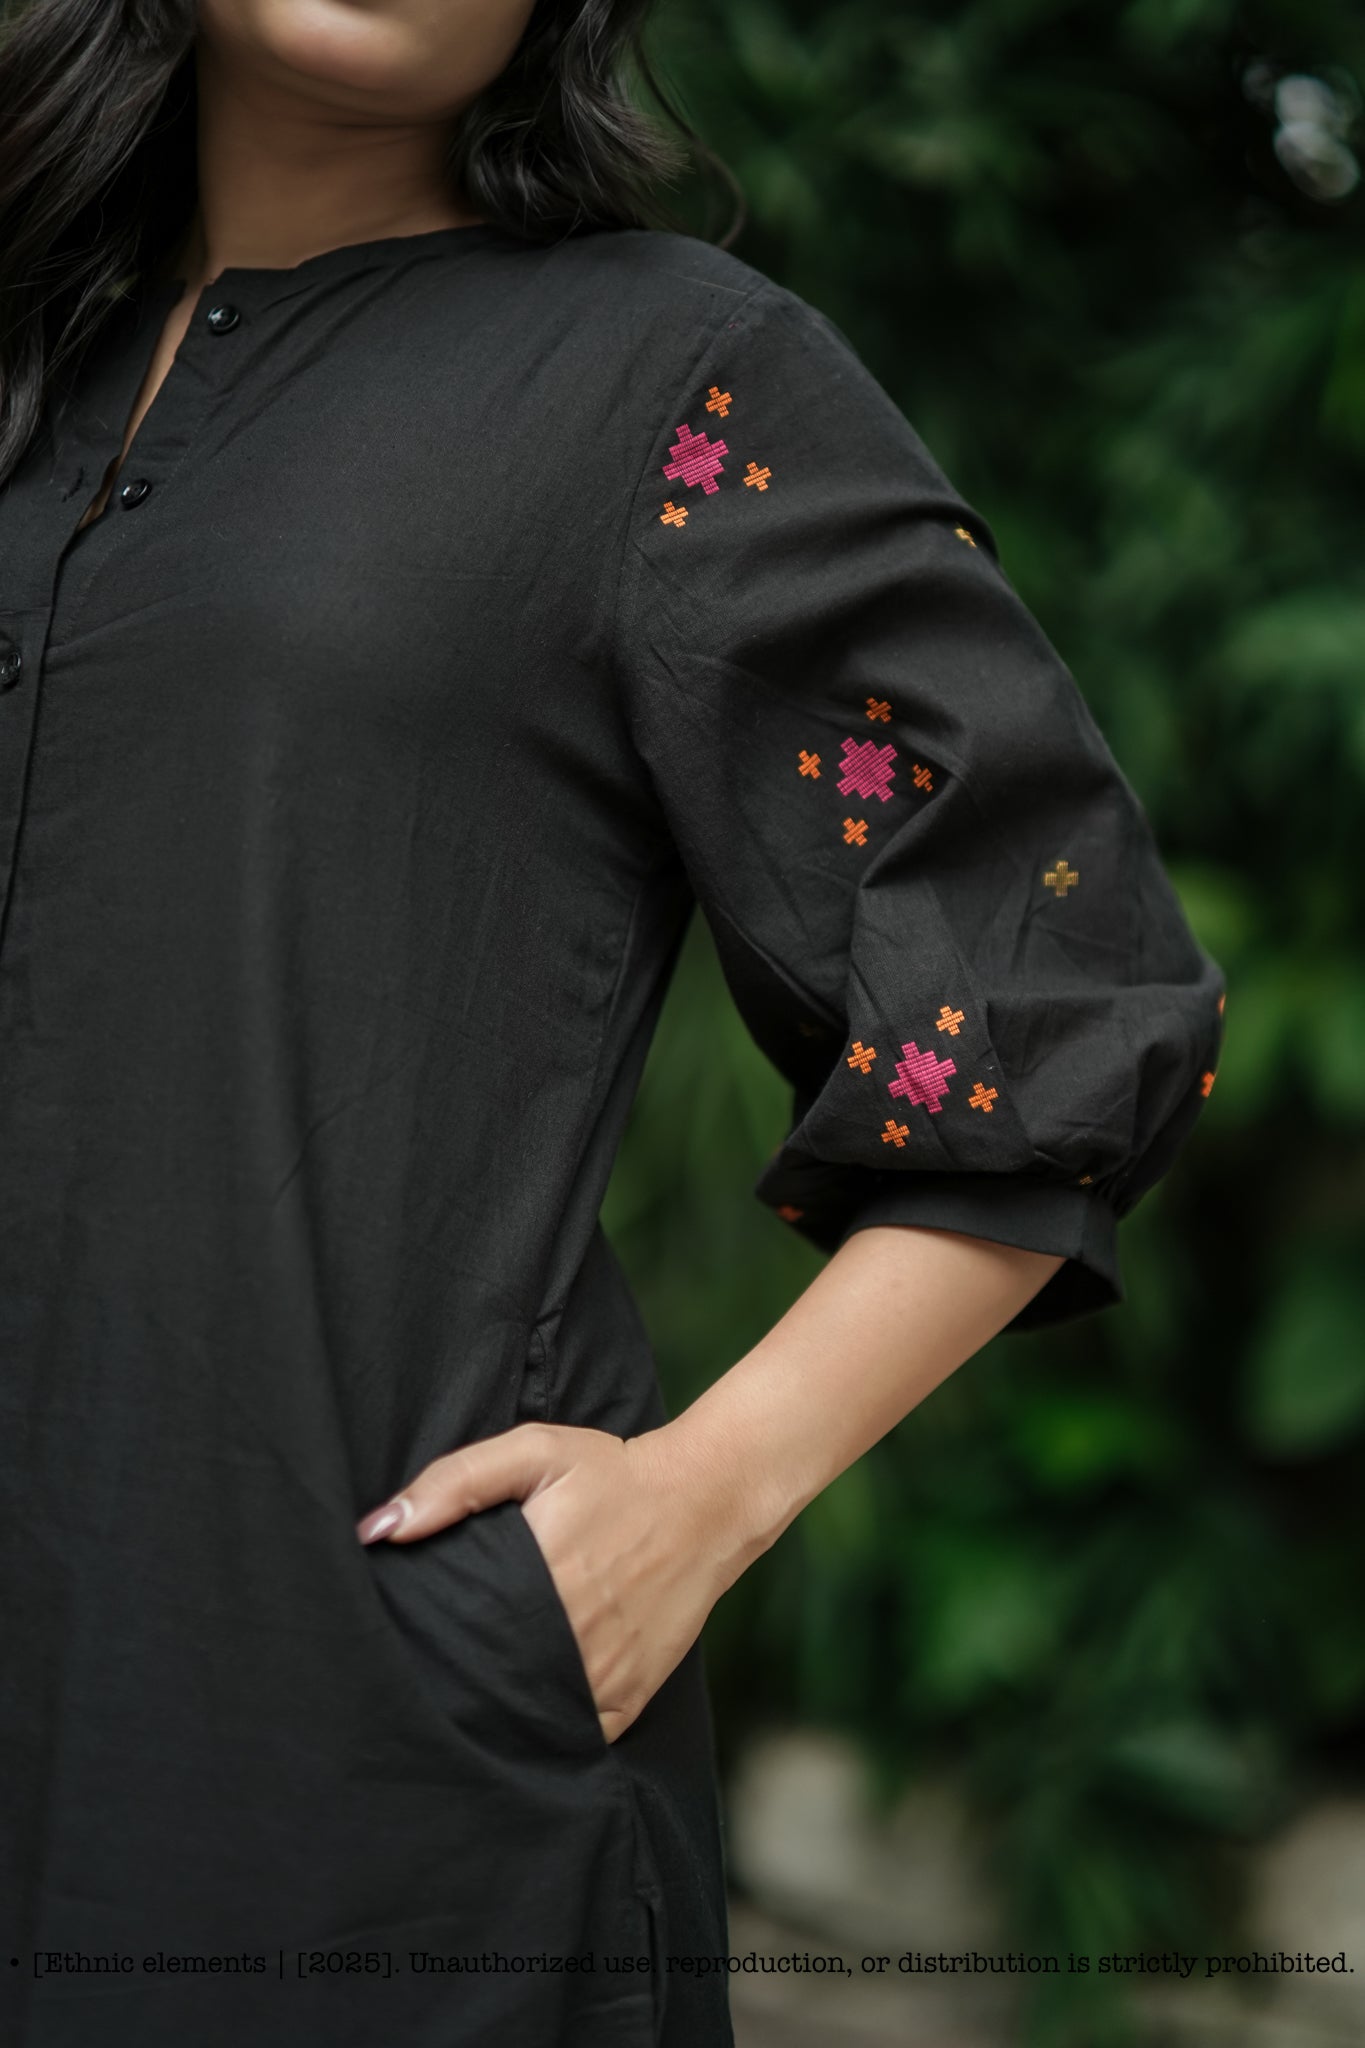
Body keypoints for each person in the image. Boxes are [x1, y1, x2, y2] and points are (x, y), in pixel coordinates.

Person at [0, 0, 1225, 2043]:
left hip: (367, 1773)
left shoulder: (667, 383)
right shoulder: (30, 353)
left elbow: (1054, 977)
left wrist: (706, 1493)